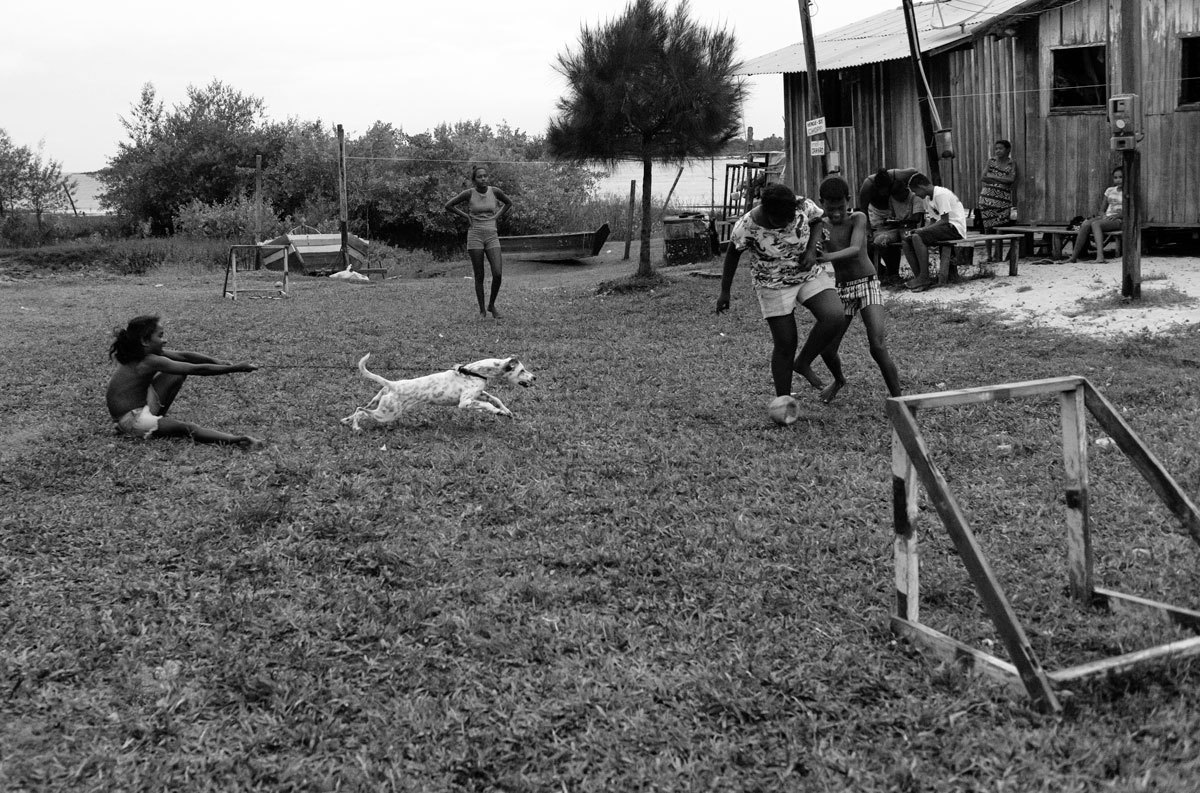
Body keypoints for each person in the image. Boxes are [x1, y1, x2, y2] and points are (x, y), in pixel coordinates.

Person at [715, 183, 845, 401]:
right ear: (766, 211)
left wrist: (812, 249)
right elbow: (732, 255)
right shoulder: (747, 225)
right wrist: (724, 292)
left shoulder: (803, 205)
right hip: (772, 283)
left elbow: (816, 222)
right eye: (780, 221)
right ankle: (783, 401)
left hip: (806, 272)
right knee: (786, 343)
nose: (786, 224)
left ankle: (803, 362)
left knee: (834, 316)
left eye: (789, 218)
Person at [106, 315, 264, 447]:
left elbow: (184, 356)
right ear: (145, 341)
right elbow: (196, 369)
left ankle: (159, 421)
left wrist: (219, 362)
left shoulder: (142, 353)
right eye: (160, 336)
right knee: (187, 428)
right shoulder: (150, 360)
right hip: (132, 419)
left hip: (137, 409)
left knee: (174, 374)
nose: (165, 340)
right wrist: (235, 368)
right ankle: (238, 440)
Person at [813, 176, 902, 401]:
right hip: (842, 290)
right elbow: (810, 250)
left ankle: (899, 400)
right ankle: (839, 380)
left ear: (848, 200)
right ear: (821, 202)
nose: (836, 213)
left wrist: (825, 256)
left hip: (867, 284)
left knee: (877, 346)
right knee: (827, 350)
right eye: (830, 207)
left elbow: (854, 248)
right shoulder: (819, 225)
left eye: (841, 207)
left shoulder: (857, 218)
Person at [444, 164, 514, 318]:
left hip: (491, 235)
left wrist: (496, 216)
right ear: (474, 180)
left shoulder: (495, 191)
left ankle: (491, 305)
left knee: (497, 273)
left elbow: (508, 203)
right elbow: (448, 205)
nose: (483, 179)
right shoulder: (468, 193)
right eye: (479, 177)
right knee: (479, 275)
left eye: (485, 176)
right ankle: (482, 310)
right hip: (475, 235)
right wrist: (466, 216)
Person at [857, 167, 924, 284]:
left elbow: (915, 172)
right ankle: (882, 271)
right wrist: (867, 229)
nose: (883, 193)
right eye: (881, 191)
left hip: (896, 212)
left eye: (886, 190)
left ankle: (893, 272)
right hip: (876, 213)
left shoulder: (899, 176)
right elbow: (863, 208)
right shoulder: (868, 185)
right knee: (873, 241)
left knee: (895, 239)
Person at [902, 173, 968, 291]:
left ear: (921, 186)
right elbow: (932, 221)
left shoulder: (940, 194)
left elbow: (944, 220)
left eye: (916, 191)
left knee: (918, 236)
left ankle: (924, 277)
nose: (916, 195)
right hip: (944, 226)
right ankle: (919, 277)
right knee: (907, 240)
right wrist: (921, 229)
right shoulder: (927, 198)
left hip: (955, 227)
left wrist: (922, 230)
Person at [1066, 166, 1124, 263]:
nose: (1118, 180)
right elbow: (1101, 210)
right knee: (1086, 223)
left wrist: (1118, 215)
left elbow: (1131, 211)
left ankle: (1100, 257)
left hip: (1119, 220)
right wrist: (1103, 216)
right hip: (1106, 218)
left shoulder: (1129, 192)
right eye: (1115, 177)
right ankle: (1073, 257)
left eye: (1121, 177)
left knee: (1095, 224)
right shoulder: (1110, 190)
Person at [977, 139, 1018, 260]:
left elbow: (1011, 180)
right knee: (987, 227)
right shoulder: (991, 161)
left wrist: (993, 177)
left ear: (1008, 150)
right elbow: (983, 178)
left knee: (999, 226)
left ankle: (997, 254)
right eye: (996, 149)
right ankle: (989, 255)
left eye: (1001, 148)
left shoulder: (1011, 163)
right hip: (987, 199)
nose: (998, 151)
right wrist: (1002, 179)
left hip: (1002, 199)